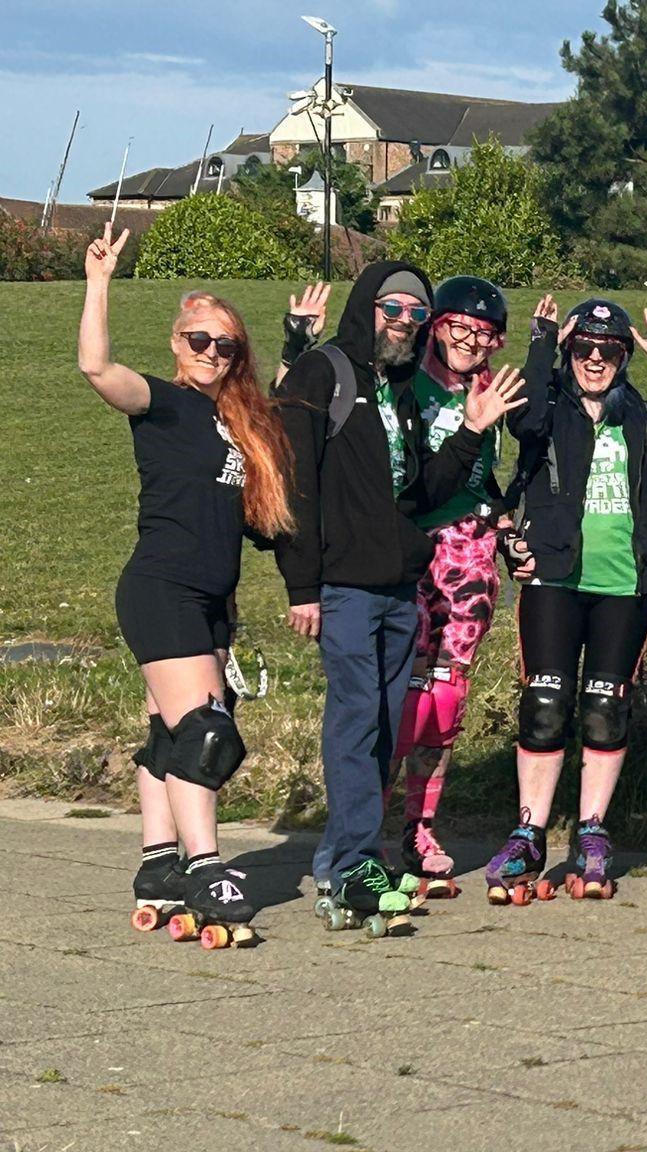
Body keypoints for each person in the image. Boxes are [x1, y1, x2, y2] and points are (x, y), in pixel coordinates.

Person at [274, 261, 524, 932]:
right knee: (355, 717)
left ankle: (342, 859)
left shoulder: (404, 393)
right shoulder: (325, 373)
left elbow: (421, 494)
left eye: (416, 315)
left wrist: (473, 429)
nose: (405, 324)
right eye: (394, 310)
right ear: (368, 307)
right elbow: (291, 483)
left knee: (386, 725)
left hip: (396, 585)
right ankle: (357, 859)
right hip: (343, 583)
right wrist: (302, 586)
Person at [81, 225, 292, 947]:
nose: (210, 353)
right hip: (160, 587)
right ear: (177, 343)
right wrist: (100, 281)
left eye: (224, 344)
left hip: (209, 600)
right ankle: (205, 866)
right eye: (198, 340)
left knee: (168, 736)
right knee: (207, 736)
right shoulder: (162, 404)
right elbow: (96, 368)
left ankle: (157, 864)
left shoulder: (235, 421)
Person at [482, 296, 647, 904]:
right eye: (585, 349)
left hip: (626, 583)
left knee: (606, 706)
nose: (595, 360)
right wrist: (545, 340)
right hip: (554, 576)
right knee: (545, 703)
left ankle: (593, 830)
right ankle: (529, 832)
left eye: (608, 351)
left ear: (623, 357)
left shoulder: (637, 416)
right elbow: (523, 422)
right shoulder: (551, 411)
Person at [389, 275, 513, 899]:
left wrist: (505, 520)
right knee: (400, 693)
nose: (471, 342)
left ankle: (420, 827)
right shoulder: (403, 382)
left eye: (485, 334)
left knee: (445, 699)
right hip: (410, 548)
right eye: (459, 328)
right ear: (435, 327)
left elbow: (485, 476)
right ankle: (372, 829)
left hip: (468, 552)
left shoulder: (488, 388)